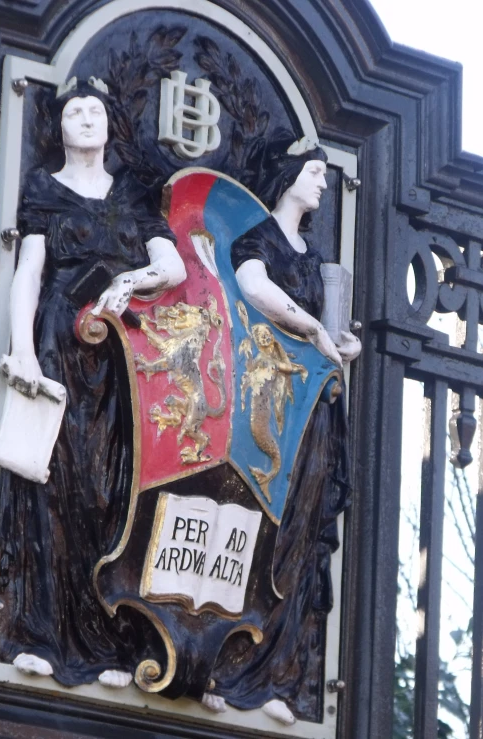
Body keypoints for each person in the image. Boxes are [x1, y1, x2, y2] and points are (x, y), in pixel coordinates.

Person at [0, 76, 186, 688]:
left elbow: (173, 266)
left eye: (94, 111)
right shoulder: (46, 190)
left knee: (112, 491)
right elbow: (30, 272)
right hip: (57, 346)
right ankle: (39, 636)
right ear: (60, 126)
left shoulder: (132, 193)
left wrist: (130, 282)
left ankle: (109, 645)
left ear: (108, 124)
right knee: (50, 486)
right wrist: (23, 350)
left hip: (121, 359)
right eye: (73, 111)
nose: (85, 119)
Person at [210, 131, 361, 725]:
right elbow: (251, 286)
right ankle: (221, 662)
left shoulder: (310, 256)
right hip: (265, 408)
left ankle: (277, 673)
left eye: (326, 173)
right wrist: (315, 330)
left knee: (299, 535)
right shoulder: (262, 240)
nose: (324, 182)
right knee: (256, 528)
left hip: (313, 410)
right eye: (316, 172)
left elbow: (320, 335)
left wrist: (336, 341)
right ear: (290, 175)